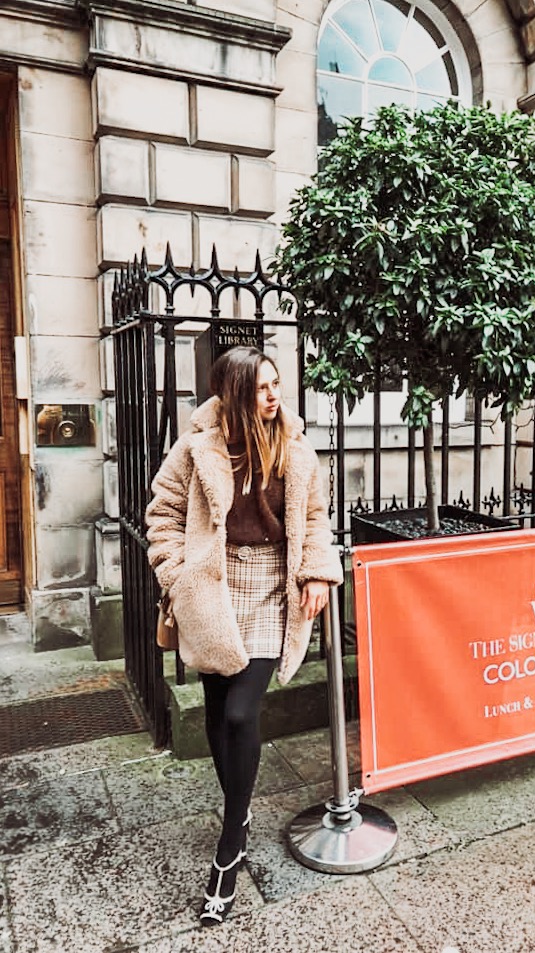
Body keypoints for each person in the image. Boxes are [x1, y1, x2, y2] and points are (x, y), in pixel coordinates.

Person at [144, 345, 343, 927]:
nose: (274, 395)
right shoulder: (195, 448)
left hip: (272, 585)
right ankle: (241, 811)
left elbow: (316, 517)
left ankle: (229, 847)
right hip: (213, 584)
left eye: (276, 384)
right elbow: (162, 515)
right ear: (233, 393)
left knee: (240, 713)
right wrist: (178, 577)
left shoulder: (294, 445)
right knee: (215, 710)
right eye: (261, 387)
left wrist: (316, 572)